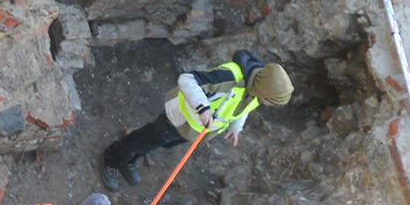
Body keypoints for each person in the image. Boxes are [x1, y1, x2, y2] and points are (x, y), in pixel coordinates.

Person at [102, 49, 292, 189]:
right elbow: (187, 79)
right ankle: (112, 159)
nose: (268, 104)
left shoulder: (255, 93)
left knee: (156, 144)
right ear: (264, 89)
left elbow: (243, 110)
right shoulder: (229, 77)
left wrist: (236, 128)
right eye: (270, 100)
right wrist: (203, 108)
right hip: (177, 119)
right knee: (146, 140)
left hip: (193, 131)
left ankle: (129, 160)